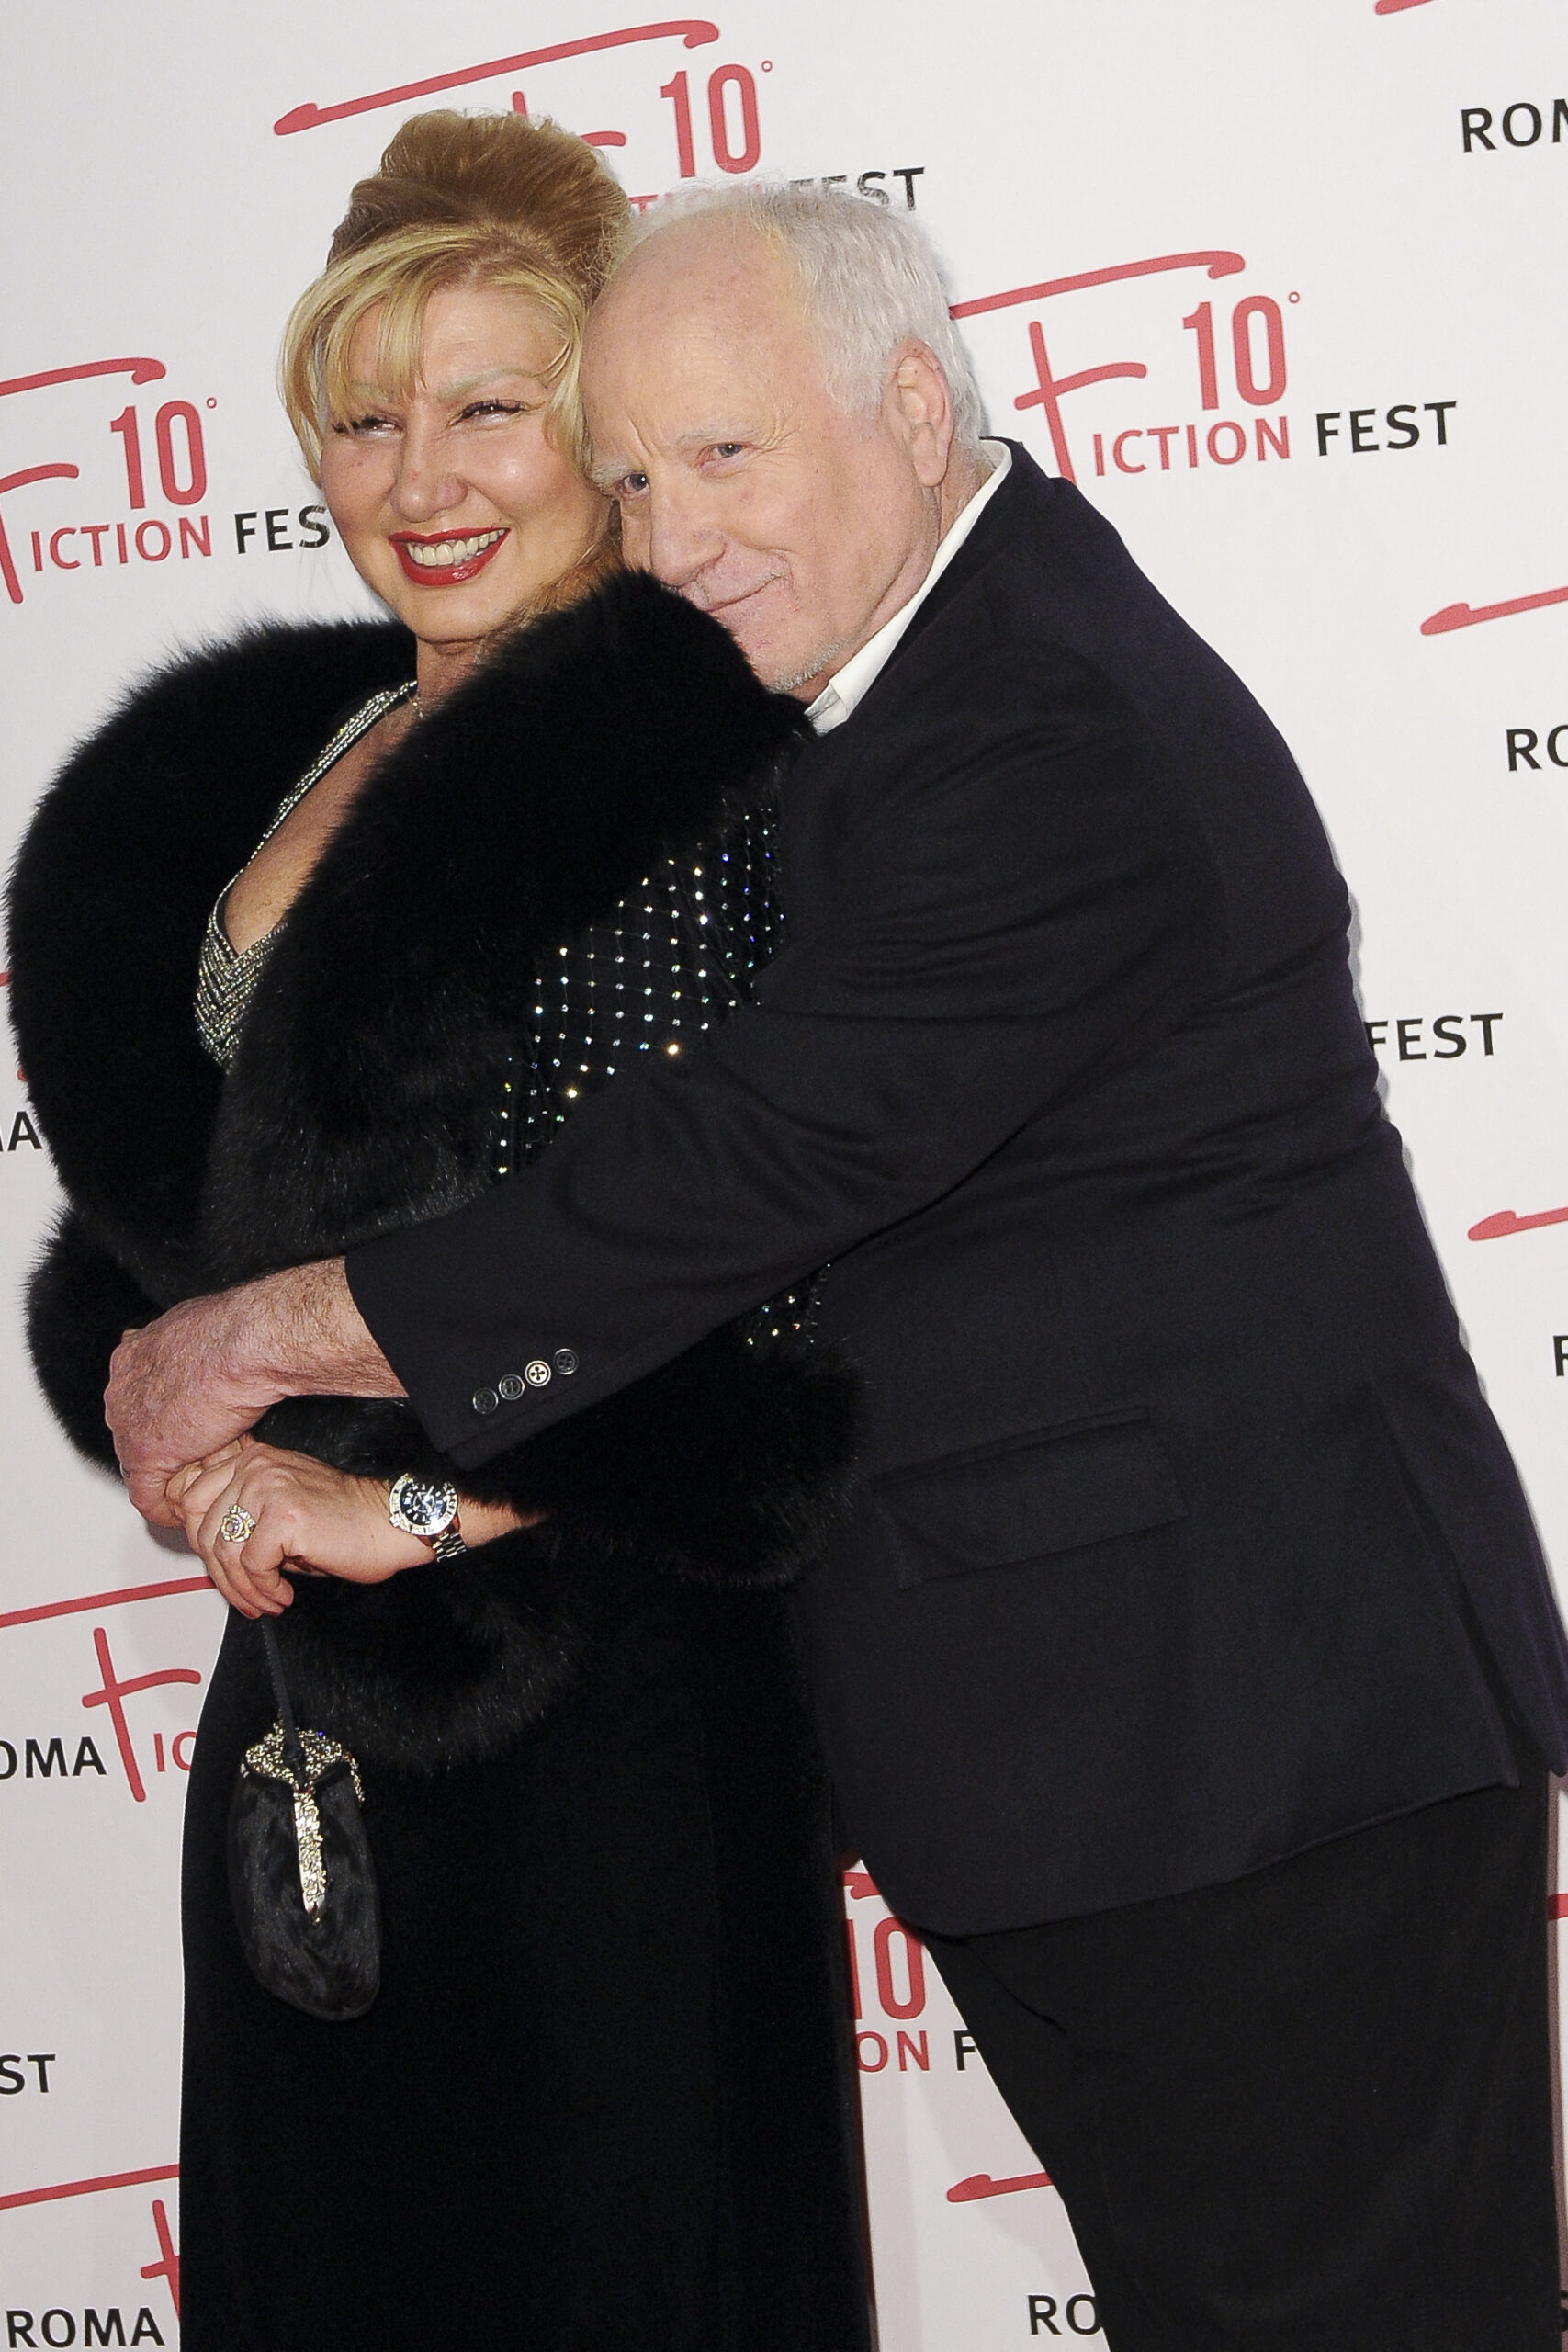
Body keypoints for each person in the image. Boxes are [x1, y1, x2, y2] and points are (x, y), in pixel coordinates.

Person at [95, 182, 1568, 2348]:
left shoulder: (1029, 720)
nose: (673, 532)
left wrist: (263, 1357)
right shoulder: (928, 674)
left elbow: (737, 1174)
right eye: (634, 472)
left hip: (1248, 1735)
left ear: (905, 397)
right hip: (1130, 1740)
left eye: (723, 454)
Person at [7, 123, 871, 2352]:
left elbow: (716, 1295)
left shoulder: (686, 770)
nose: (424, 472)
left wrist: (403, 1495)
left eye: (490, 404)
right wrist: (198, 1441)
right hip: (304, 1682)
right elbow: (179, 1234)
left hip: (601, 1706)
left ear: (596, 426)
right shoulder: (286, 751)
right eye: (367, 412)